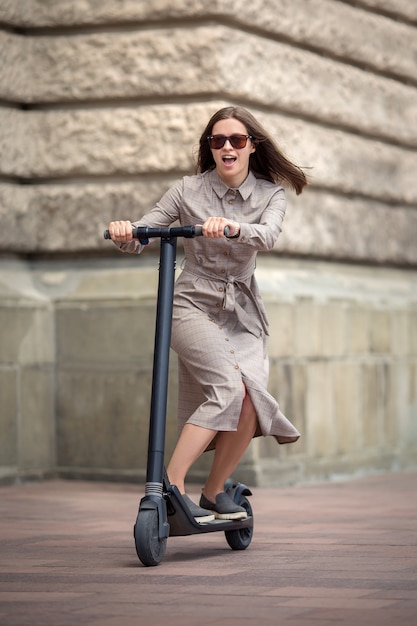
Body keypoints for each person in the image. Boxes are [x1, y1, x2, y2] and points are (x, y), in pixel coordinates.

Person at [108, 105, 307, 523]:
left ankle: (214, 493)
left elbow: (268, 235)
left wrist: (233, 227)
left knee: (251, 399)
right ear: (210, 148)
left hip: (243, 314)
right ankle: (172, 487)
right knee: (227, 387)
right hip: (191, 304)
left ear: (252, 146)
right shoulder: (186, 190)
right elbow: (146, 232)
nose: (228, 147)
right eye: (218, 141)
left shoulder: (271, 195)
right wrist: (128, 232)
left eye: (237, 140)